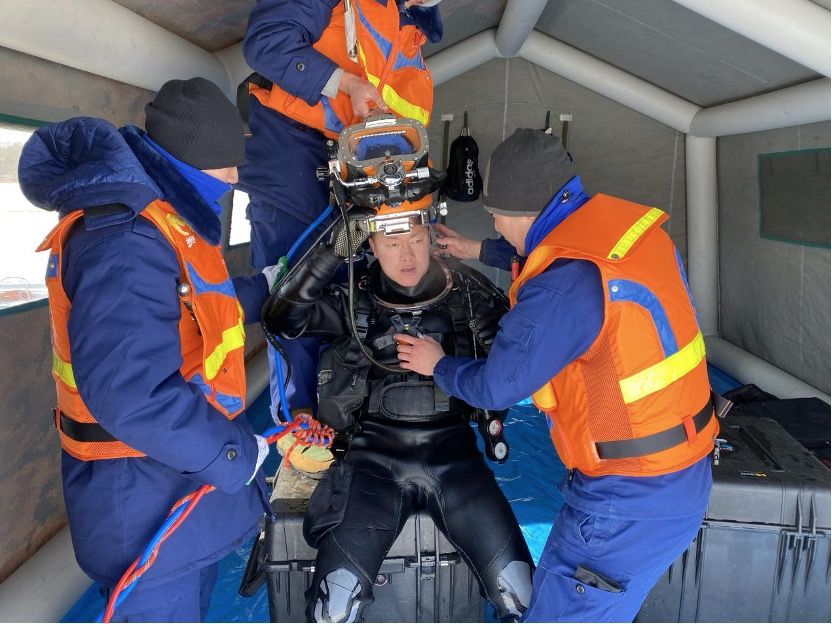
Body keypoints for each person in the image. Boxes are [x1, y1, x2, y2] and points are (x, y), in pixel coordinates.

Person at [395, 129, 717, 622]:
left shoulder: (561, 288)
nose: (495, 224)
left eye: (496, 214)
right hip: (683, 472)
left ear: (522, 210)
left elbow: (496, 386)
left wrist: (436, 363)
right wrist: (475, 248)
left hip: (625, 499)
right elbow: (558, 250)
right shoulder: (627, 234)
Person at [19, 78, 274, 622]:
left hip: (174, 484)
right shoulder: (124, 240)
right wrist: (233, 455)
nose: (235, 177)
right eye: (226, 164)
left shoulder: (163, 221)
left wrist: (271, 287)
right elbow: (132, 394)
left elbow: (195, 307)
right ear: (190, 157)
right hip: (142, 499)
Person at [262, 218, 534, 622]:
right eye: (391, 244)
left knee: (521, 595)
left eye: (416, 240)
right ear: (371, 245)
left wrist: (444, 366)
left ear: (432, 237)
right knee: (333, 607)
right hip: (372, 463)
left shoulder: (469, 295)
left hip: (457, 462)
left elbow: (516, 368)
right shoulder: (353, 300)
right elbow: (281, 319)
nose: (406, 255)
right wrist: (332, 252)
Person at [238, 0, 443, 426]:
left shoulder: (414, 32)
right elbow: (265, 43)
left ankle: (342, 419)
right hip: (294, 148)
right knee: (292, 283)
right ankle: (299, 422)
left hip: (356, 171)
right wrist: (344, 83)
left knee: (351, 290)